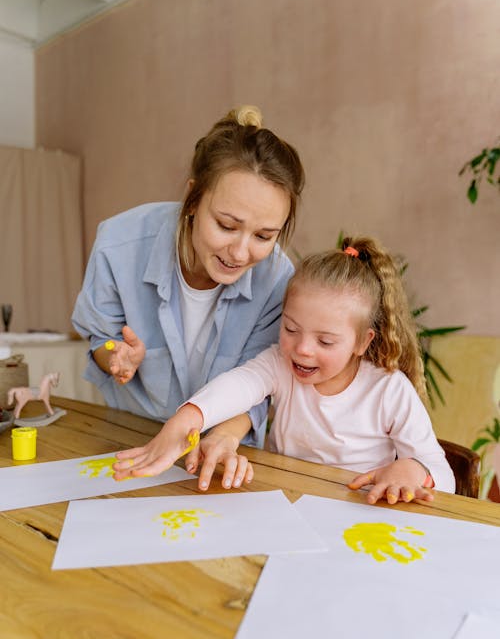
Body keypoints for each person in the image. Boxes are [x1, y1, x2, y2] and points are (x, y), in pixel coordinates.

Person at [112, 236, 456, 505]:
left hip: (358, 514)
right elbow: (239, 385)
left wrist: (415, 470)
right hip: (286, 505)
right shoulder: (280, 364)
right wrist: (187, 419)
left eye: (325, 341)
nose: (302, 348)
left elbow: (443, 475)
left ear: (362, 342)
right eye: (291, 329)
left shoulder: (387, 390)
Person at [72, 105, 305, 447]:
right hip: (130, 440)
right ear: (192, 200)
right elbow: (100, 339)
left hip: (219, 450)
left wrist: (224, 437)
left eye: (264, 236)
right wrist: (115, 356)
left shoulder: (276, 279)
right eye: (227, 226)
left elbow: (260, 379)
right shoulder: (118, 245)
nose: (240, 253)